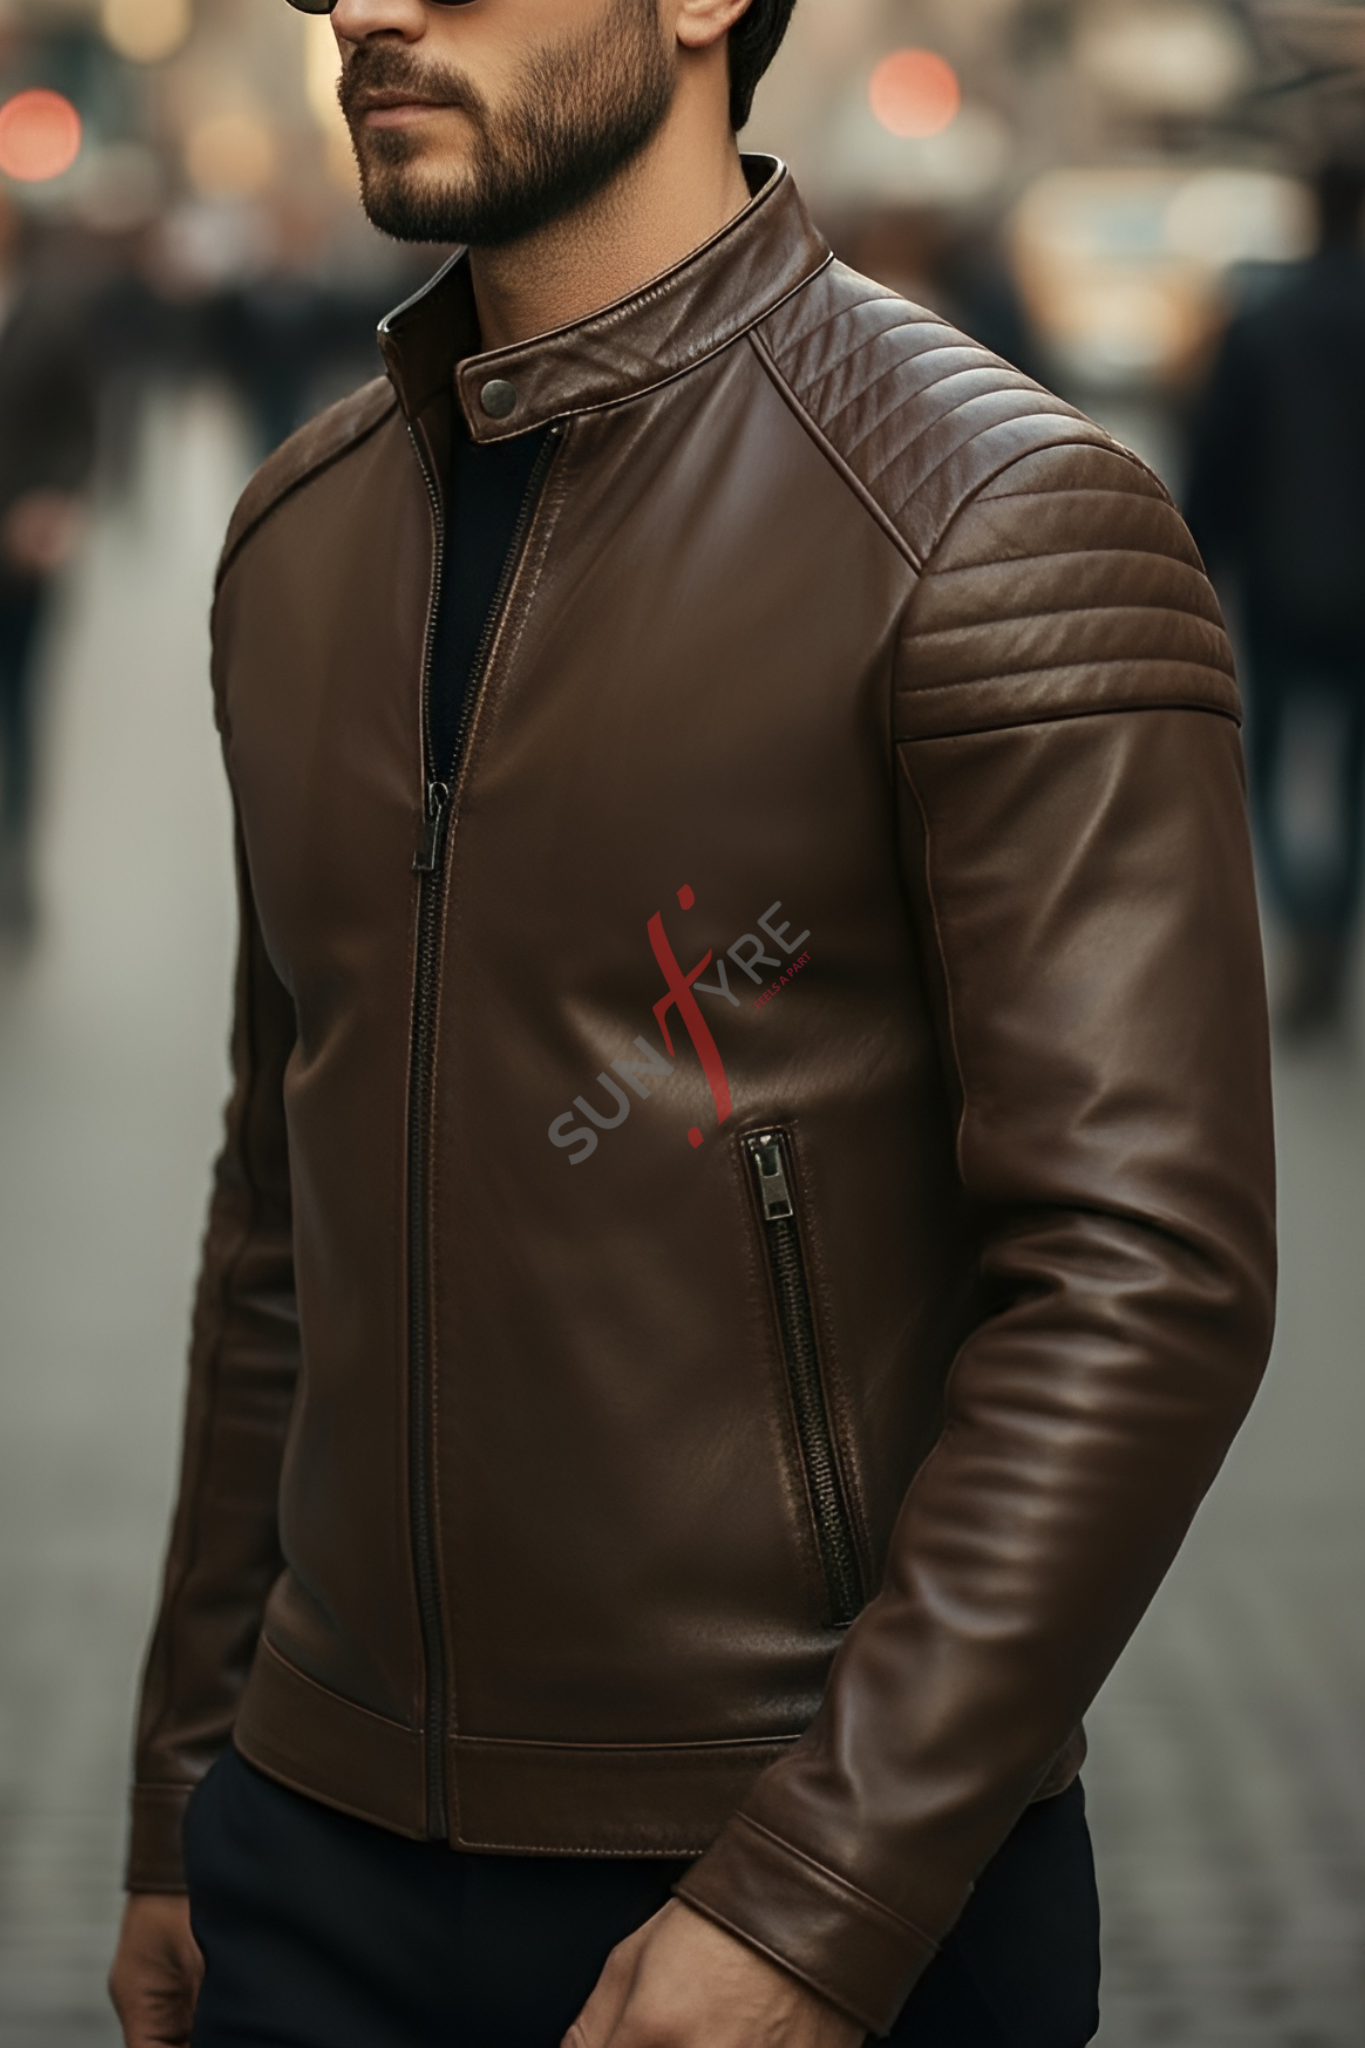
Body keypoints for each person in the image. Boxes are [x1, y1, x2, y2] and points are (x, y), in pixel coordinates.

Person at [108, 1, 1276, 2044]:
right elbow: (273, 1212)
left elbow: (1140, 1278)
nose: (361, 8)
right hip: (306, 1849)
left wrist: (823, 1891)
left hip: (791, 1875)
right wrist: (179, 1792)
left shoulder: (988, 518)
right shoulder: (298, 537)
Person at [1186, 158, 1365, 1039]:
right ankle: (1335, 917)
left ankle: (1305, 918)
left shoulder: (1262, 323)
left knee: (1269, 768)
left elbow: (1216, 458)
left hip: (1283, 579)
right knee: (1354, 777)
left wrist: (1197, 566)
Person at [0, 199, 96, 938]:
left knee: (15, 711)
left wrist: (53, 502)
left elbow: (77, 427)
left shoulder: (51, 315)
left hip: (17, 561)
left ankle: (14, 869)